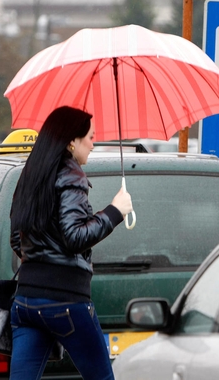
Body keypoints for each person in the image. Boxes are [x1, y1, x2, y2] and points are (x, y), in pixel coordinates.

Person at [9, 106, 133, 380]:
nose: (94, 142)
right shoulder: (72, 174)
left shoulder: (31, 175)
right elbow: (75, 237)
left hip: (26, 302)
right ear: (71, 141)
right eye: (90, 136)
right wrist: (115, 211)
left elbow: (16, 238)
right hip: (66, 302)